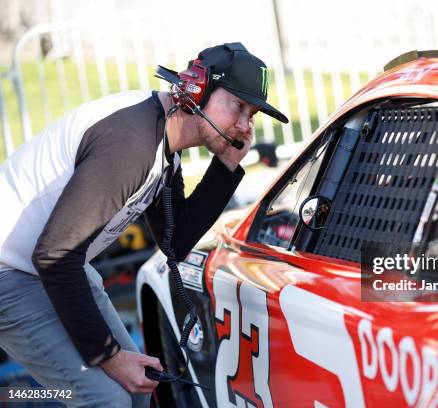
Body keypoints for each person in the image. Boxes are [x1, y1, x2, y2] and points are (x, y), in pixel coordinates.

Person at [0, 42, 288, 406]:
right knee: (108, 399)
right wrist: (110, 358)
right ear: (197, 89)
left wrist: (226, 166)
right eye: (238, 106)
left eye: (253, 114)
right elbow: (55, 255)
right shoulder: (132, 142)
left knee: (138, 392)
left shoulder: (164, 145)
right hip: (13, 271)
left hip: (51, 266)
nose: (245, 125)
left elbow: (174, 242)